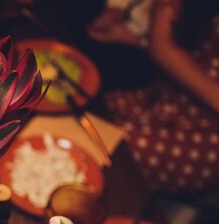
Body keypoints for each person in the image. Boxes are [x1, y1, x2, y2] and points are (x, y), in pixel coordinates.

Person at [88, 0, 219, 192]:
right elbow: (165, 45)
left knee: (111, 152)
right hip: (170, 98)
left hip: (206, 138)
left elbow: (163, 47)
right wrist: (138, 38)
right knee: (88, 118)